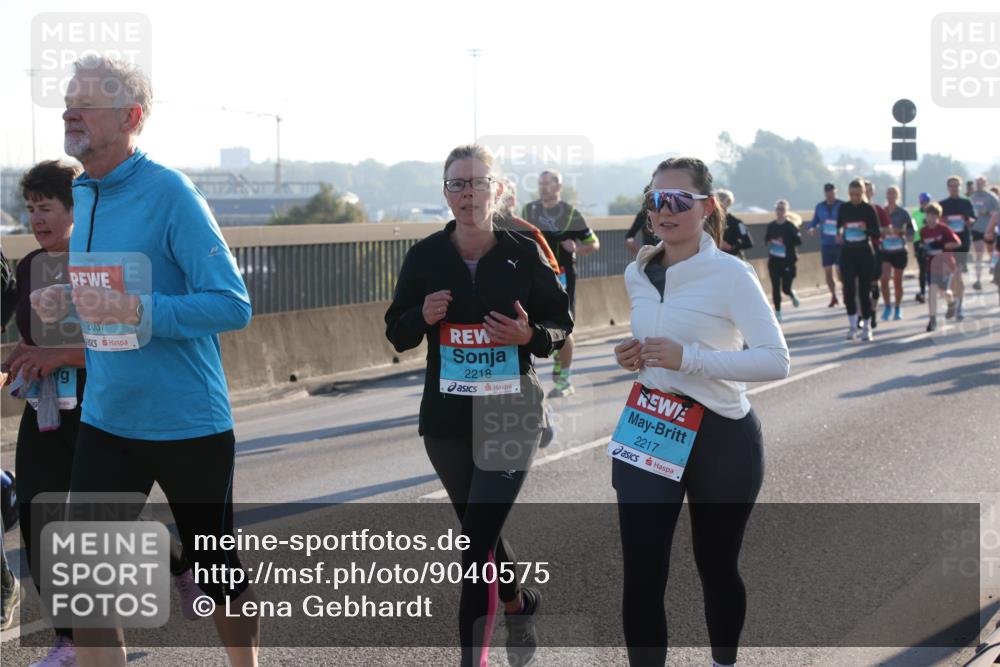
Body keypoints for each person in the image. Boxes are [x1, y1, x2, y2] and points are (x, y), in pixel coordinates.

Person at [30, 55, 258, 667]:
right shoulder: (82, 190)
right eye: (67, 98)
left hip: (188, 422)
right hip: (109, 420)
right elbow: (104, 297)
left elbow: (232, 305)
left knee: (215, 574)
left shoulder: (171, 193)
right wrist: (68, 302)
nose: (68, 110)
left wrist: (136, 309)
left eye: (86, 101)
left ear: (130, 117)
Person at [385, 144, 573, 667]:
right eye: (457, 184)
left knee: (473, 547)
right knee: (479, 533)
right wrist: (421, 315)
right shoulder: (425, 255)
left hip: (510, 408)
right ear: (445, 193)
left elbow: (561, 327)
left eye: (478, 183)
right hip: (447, 418)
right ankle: (518, 603)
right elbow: (396, 332)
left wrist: (528, 333)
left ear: (498, 189)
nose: (468, 194)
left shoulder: (524, 249)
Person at [611, 157, 789, 667]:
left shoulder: (731, 275)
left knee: (716, 566)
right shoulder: (637, 272)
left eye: (677, 200)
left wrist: (691, 360)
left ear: (706, 207)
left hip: (722, 435)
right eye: (655, 199)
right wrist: (631, 355)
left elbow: (776, 360)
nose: (664, 210)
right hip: (651, 425)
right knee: (642, 573)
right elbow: (653, 345)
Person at [521, 170, 599, 398]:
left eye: (547, 183)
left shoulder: (570, 213)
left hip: (562, 277)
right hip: (534, 276)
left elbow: (594, 243)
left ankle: (564, 380)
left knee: (563, 328)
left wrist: (577, 249)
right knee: (528, 323)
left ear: (558, 186)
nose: (543, 187)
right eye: (540, 183)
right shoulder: (529, 210)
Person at [837, 179, 881, 341]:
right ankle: (852, 326)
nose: (854, 197)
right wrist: (839, 234)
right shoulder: (844, 208)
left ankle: (867, 327)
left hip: (864, 253)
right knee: (848, 290)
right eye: (852, 194)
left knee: (864, 291)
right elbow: (838, 226)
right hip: (848, 252)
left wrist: (866, 229)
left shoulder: (868, 209)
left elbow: (876, 232)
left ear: (863, 193)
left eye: (858, 194)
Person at [938, 176, 976, 321]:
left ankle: (959, 307)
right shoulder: (943, 204)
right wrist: (943, 221)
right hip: (947, 244)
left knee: (957, 274)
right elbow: (937, 223)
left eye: (957, 185)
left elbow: (973, 219)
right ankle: (952, 302)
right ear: (948, 188)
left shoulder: (966, 203)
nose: (954, 188)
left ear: (960, 187)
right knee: (949, 276)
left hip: (962, 243)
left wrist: (968, 221)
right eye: (952, 186)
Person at [920, 203, 962, 331]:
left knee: (944, 291)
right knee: (932, 292)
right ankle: (932, 320)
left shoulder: (944, 229)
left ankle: (951, 303)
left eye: (934, 216)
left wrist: (942, 245)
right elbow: (923, 245)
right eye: (929, 215)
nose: (931, 218)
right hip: (931, 265)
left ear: (938, 217)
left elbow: (957, 243)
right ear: (926, 216)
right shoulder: (923, 231)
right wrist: (921, 249)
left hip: (946, 264)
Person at [879, 186, 915, 321]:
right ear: (886, 196)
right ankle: (887, 306)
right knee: (884, 278)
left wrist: (901, 232)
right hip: (885, 250)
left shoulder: (903, 212)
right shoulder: (882, 212)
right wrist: (883, 232)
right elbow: (875, 228)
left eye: (893, 193)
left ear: (897, 196)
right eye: (889, 193)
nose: (891, 196)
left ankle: (898, 307)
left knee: (897, 282)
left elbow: (913, 229)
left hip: (899, 250)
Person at [805, 183, 844, 307]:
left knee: (840, 272)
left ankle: (845, 291)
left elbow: (847, 221)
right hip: (826, 243)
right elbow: (814, 222)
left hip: (839, 244)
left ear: (835, 192)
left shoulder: (842, 205)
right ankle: (833, 296)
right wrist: (811, 229)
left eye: (831, 193)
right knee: (828, 272)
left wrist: (842, 232)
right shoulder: (820, 207)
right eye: (827, 193)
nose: (829, 195)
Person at [763, 200, 802, 322]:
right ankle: (778, 311)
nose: (779, 212)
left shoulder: (790, 226)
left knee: (785, 288)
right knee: (775, 286)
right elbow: (766, 239)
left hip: (787, 261)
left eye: (782, 209)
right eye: (778, 209)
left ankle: (791, 294)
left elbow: (798, 242)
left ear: (786, 211)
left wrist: (784, 241)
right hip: (774, 260)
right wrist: (770, 241)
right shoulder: (771, 225)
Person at [865, 181, 891, 330]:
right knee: (859, 285)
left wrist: (874, 230)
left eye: (870, 191)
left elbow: (888, 230)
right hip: (856, 250)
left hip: (874, 248)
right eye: (865, 191)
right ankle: (862, 315)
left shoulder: (878, 209)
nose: (867, 194)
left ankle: (873, 311)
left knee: (874, 284)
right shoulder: (852, 209)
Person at [969, 177, 1000, 292]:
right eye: (977, 183)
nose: (979, 185)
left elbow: (997, 212)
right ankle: (978, 280)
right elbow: (969, 211)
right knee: (979, 255)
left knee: (993, 255)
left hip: (990, 230)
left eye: (982, 183)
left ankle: (995, 272)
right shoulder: (972, 197)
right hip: (977, 228)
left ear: (986, 184)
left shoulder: (991, 197)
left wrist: (987, 212)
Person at [716, 189, 754, 260]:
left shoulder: (737, 223)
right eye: (716, 199)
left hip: (731, 260)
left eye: (721, 199)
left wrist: (731, 247)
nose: (718, 203)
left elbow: (748, 243)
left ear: (728, 203)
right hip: (715, 260)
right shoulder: (707, 222)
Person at [911, 193, 932, 303]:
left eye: (926, 202)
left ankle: (932, 290)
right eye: (922, 202)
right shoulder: (915, 213)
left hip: (931, 240)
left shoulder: (933, 213)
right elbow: (913, 227)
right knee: (922, 268)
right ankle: (922, 291)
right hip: (919, 241)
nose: (924, 204)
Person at [626, 186, 657, 254]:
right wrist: (630, 240)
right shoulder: (642, 215)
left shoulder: (667, 214)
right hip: (649, 256)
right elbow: (630, 234)